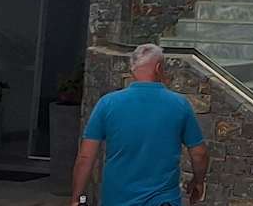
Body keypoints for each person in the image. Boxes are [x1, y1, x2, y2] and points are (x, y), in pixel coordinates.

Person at [69, 44, 209, 205]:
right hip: (163, 201)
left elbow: (86, 157)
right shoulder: (180, 104)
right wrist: (198, 181)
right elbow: (199, 153)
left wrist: (76, 198)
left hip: (117, 200)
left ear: (132, 69)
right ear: (158, 68)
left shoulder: (107, 104)